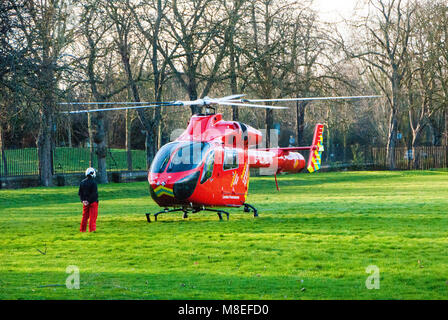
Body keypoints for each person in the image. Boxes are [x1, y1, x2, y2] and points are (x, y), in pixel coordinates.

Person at [78, 167, 99, 232]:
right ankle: (92, 230)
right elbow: (94, 194)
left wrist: (83, 200)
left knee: (84, 217)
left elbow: (80, 193)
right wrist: (89, 201)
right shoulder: (93, 183)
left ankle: (82, 230)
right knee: (93, 217)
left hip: (85, 203)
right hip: (93, 202)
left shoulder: (82, 182)